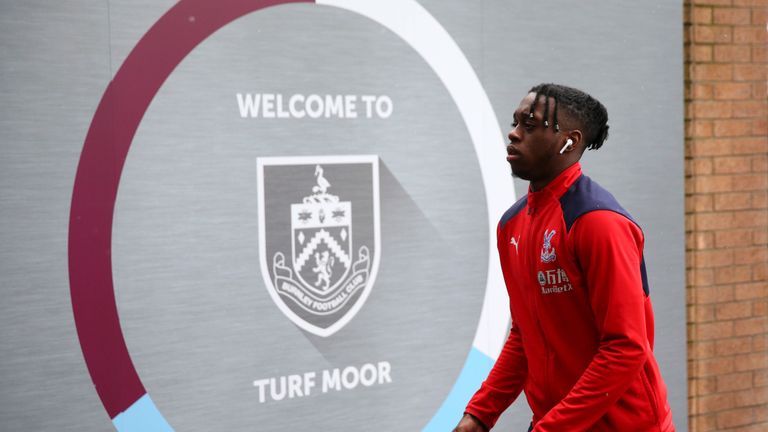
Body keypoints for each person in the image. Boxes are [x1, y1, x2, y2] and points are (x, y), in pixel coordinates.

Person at [453, 84, 675, 431]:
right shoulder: (512, 225)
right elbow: (525, 335)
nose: (513, 134)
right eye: (515, 122)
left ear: (569, 141)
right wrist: (480, 415)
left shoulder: (599, 222)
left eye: (530, 125)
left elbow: (625, 348)